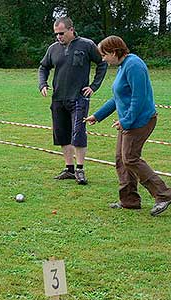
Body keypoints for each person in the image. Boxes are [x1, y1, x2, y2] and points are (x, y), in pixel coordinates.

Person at [85, 35, 171, 216]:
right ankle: (129, 200)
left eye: (104, 55)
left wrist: (126, 121)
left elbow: (138, 99)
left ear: (115, 52)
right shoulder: (123, 66)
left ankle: (163, 194)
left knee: (130, 158)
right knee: (121, 159)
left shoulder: (134, 65)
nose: (103, 59)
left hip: (141, 121)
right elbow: (118, 97)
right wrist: (97, 116)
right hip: (129, 122)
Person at [38, 16, 107, 184]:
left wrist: (94, 86)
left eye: (61, 33)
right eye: (56, 34)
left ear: (71, 30)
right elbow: (43, 67)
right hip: (58, 99)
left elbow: (102, 63)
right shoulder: (53, 49)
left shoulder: (87, 45)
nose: (58, 37)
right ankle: (68, 168)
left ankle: (80, 169)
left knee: (78, 134)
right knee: (62, 134)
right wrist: (43, 84)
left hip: (79, 98)